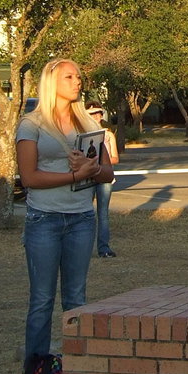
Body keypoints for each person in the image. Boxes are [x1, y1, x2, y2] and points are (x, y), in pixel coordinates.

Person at [17, 59, 114, 358]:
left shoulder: (88, 123)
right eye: (69, 77)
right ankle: (35, 371)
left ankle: (76, 367)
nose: (77, 81)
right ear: (51, 83)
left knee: (76, 297)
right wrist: (74, 176)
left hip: (81, 219)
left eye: (79, 76)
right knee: (42, 300)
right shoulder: (31, 124)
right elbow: (29, 177)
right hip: (43, 219)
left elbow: (108, 174)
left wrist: (91, 168)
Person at [86, 103, 119, 258]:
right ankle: (83, 247)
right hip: (87, 176)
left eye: (98, 113)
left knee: (103, 213)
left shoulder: (108, 135)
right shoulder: (83, 134)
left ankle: (103, 248)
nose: (96, 116)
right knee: (85, 212)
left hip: (104, 177)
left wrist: (103, 164)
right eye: (92, 113)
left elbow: (115, 158)